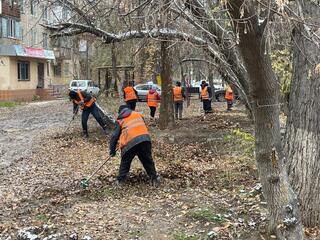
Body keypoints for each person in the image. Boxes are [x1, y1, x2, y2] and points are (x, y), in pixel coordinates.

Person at [109, 105, 160, 186]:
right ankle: (154, 179)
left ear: (120, 112)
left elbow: (115, 136)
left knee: (125, 162)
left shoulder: (120, 119)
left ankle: (120, 182)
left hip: (130, 143)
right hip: (145, 140)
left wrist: (112, 150)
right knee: (148, 161)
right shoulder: (138, 114)